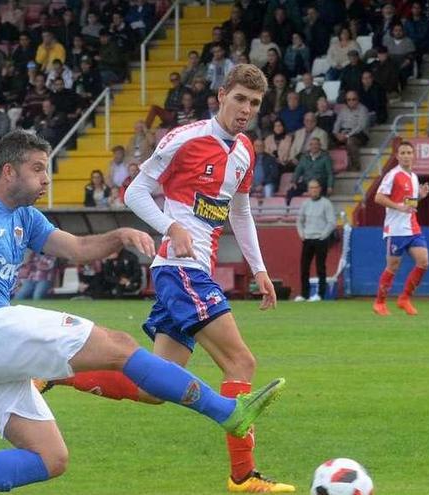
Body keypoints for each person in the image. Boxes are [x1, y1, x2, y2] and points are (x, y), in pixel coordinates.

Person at [0, 129, 284, 493]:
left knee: (50, 458)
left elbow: (75, 248)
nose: (46, 179)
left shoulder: (22, 216)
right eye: (38, 169)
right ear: (8, 171)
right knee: (119, 345)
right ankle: (229, 412)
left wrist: (120, 236)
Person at [43, 65, 294, 493]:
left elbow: (241, 212)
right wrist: (169, 226)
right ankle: (244, 477)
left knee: (156, 385)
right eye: (239, 100)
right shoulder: (186, 138)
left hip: (191, 272)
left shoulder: (245, 152)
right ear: (221, 96)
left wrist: (260, 269)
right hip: (182, 270)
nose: (245, 110)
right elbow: (134, 191)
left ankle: (55, 372)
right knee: (241, 362)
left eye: (253, 103)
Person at [373, 141, 429, 316]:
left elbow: (407, 203)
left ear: (413, 155)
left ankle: (404, 298)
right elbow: (378, 197)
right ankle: (379, 302)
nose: (406, 155)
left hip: (412, 227)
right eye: (402, 153)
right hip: (396, 229)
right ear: (397, 156)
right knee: (393, 267)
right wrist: (399, 207)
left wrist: (419, 197)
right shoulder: (393, 175)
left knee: (424, 262)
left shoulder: (413, 177)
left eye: (409, 152)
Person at [295, 179, 336, 302]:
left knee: (320, 268)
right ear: (308, 190)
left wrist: (323, 235)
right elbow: (299, 220)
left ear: (320, 189)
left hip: (320, 240)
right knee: (304, 268)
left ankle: (320, 294)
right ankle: (304, 294)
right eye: (311, 188)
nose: (314, 190)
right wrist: (302, 234)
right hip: (307, 239)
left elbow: (331, 222)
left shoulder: (326, 203)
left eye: (316, 187)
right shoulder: (305, 204)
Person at [287, 137, 333, 205]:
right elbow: (298, 170)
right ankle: (289, 211)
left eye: (316, 144)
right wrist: (294, 181)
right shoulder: (304, 157)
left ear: (320, 146)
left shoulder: (326, 158)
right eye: (312, 144)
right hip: (306, 183)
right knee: (291, 191)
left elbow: (330, 173)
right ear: (309, 146)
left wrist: (330, 186)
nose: (314, 146)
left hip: (319, 183)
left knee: (319, 194)